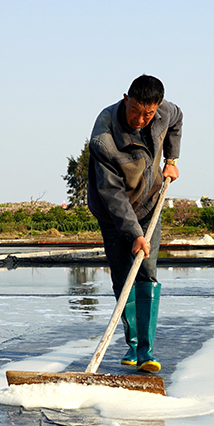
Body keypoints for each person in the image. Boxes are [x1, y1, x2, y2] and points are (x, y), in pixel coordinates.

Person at [87, 75, 182, 372]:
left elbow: (178, 120)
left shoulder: (166, 112)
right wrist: (133, 234)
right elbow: (112, 194)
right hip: (114, 213)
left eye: (149, 114)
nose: (141, 119)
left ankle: (146, 351)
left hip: (150, 204)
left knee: (147, 272)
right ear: (126, 98)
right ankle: (132, 342)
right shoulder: (104, 139)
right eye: (136, 111)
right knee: (122, 276)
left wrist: (172, 158)